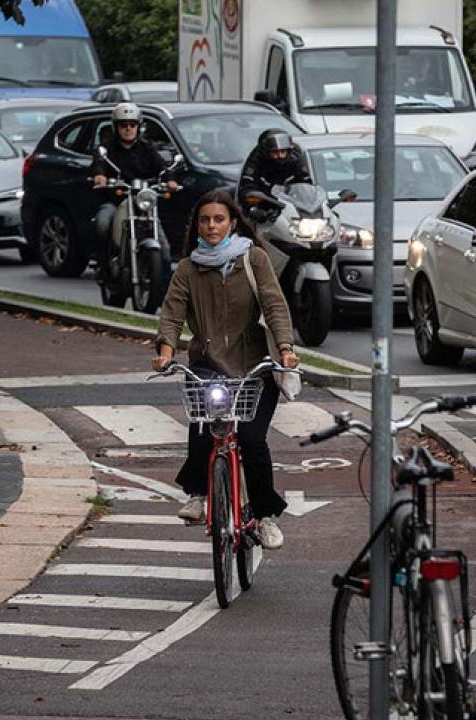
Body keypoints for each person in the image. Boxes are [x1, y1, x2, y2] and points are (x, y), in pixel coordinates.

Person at [153, 189, 299, 549]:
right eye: (205, 220)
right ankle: (198, 495)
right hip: (209, 365)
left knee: (251, 440)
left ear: (232, 222)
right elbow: (172, 312)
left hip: (254, 368)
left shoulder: (254, 259)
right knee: (203, 423)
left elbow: (275, 306)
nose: (212, 225)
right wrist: (166, 350)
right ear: (197, 226)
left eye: (219, 219)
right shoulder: (188, 268)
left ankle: (264, 516)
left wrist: (285, 349)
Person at [90, 103, 180, 245]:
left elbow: (162, 167)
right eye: (123, 125)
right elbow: (99, 163)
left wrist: (170, 180)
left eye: (132, 125)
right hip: (115, 200)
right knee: (103, 223)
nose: (128, 129)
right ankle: (104, 264)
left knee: (164, 245)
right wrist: (99, 175)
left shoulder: (147, 148)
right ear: (116, 127)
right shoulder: (107, 149)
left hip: (142, 202)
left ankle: (162, 265)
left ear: (138, 127)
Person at [236, 129, 312, 202]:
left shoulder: (295, 162)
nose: (280, 156)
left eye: (283, 152)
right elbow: (247, 186)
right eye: (275, 152)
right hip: (266, 204)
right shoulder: (255, 163)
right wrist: (256, 197)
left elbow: (306, 183)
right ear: (266, 152)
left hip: (291, 205)